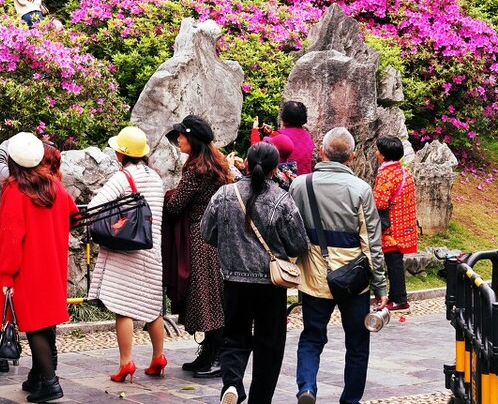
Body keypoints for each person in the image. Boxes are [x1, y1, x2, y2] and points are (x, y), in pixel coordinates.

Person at [202, 142, 310, 404]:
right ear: (276, 169)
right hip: (271, 283)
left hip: (233, 280)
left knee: (234, 337)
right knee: (269, 344)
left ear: (246, 164)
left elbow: (207, 232)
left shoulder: (224, 194)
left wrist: (231, 247)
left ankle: (232, 384)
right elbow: (298, 244)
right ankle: (260, 399)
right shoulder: (281, 199)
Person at [289, 127, 388, 404]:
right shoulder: (360, 189)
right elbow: (371, 242)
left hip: (312, 276)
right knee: (357, 344)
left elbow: (292, 230)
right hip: (353, 280)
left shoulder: (300, 185)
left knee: (311, 337)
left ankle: (307, 387)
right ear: (353, 157)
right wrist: (380, 286)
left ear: (322, 152)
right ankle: (350, 400)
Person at [0, 132, 79, 403]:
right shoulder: (55, 187)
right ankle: (38, 378)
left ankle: (51, 384)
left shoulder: (15, 190)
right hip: (52, 265)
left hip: (27, 268)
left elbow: (10, 237)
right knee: (45, 323)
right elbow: (74, 216)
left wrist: (6, 271)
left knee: (33, 326)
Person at [87, 126, 168, 381]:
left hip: (127, 251)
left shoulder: (122, 177)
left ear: (121, 153)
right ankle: (158, 357)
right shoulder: (156, 178)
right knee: (153, 307)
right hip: (152, 249)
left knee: (124, 308)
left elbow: (94, 207)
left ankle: (126, 363)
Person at [163, 114, 232, 378]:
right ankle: (209, 353)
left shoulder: (196, 169)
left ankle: (217, 357)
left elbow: (175, 205)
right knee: (212, 295)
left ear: (192, 138)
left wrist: (168, 194)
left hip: (201, 237)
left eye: (182, 134)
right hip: (215, 236)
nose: (179, 139)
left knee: (207, 297)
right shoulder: (216, 164)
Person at [373, 135, 417, 311]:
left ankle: (399, 299)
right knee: (395, 262)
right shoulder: (404, 172)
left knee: (394, 263)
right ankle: (395, 296)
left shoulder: (385, 174)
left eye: (378, 150)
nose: (376, 152)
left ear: (383, 155)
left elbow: (380, 202)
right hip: (404, 224)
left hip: (391, 227)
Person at [272, 101, 316, 176]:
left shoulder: (279, 135)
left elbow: (259, 152)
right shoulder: (308, 135)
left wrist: (255, 131)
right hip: (306, 182)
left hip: (285, 183)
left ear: (284, 118)